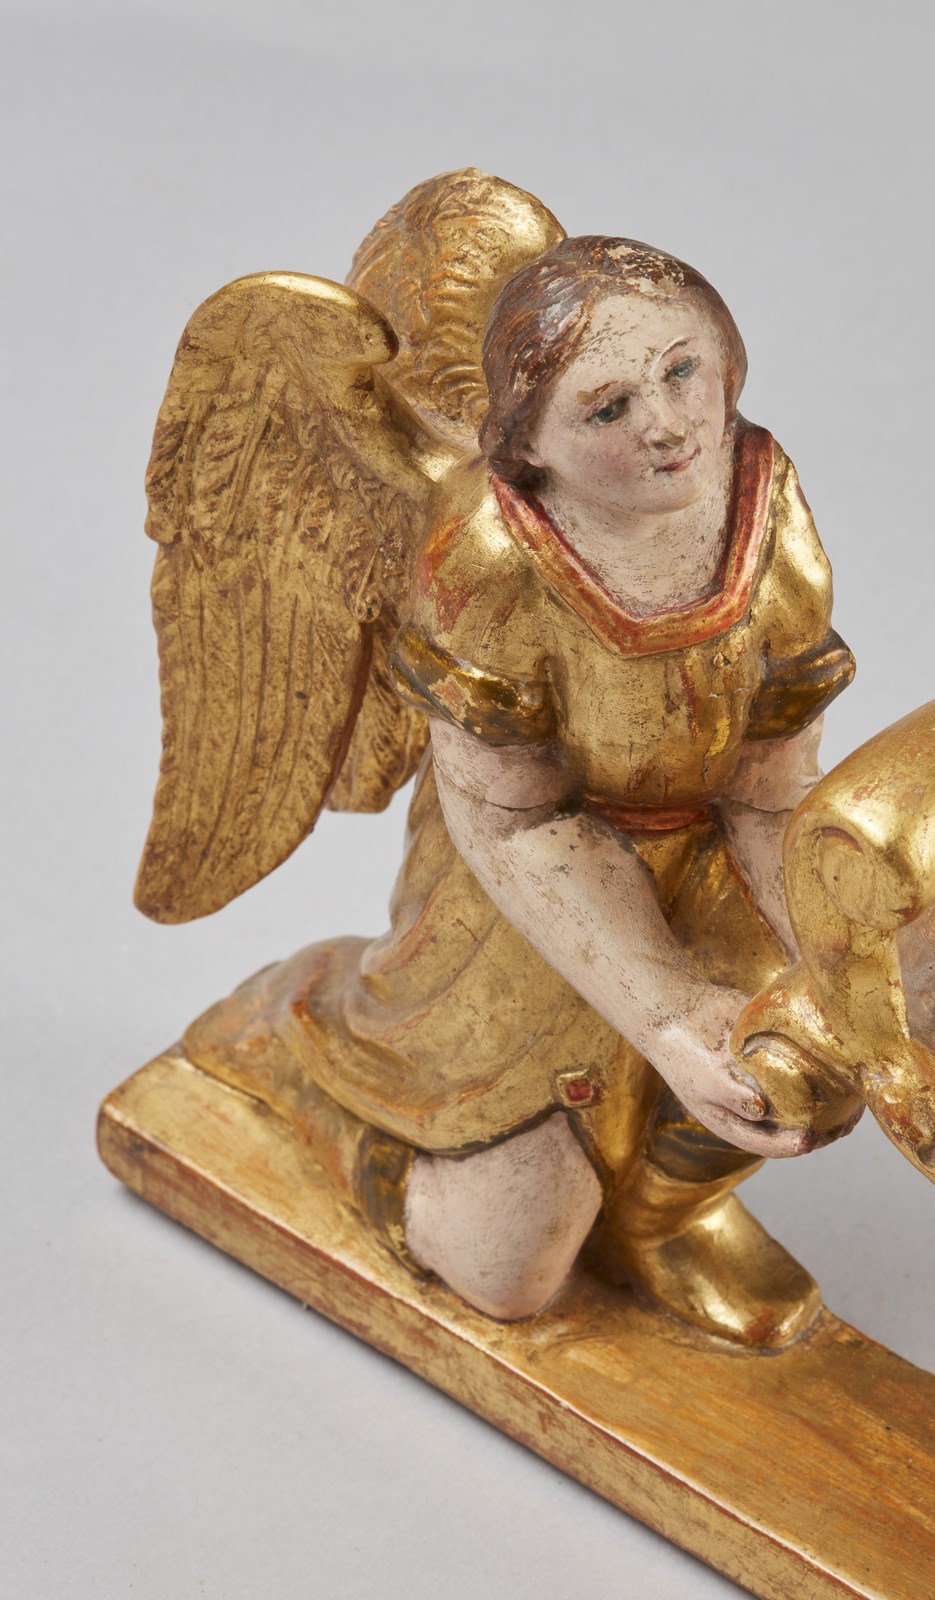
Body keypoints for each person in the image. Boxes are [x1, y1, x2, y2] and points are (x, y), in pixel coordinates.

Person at [182, 235, 854, 1347]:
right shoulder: (490, 555)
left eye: (684, 370)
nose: (667, 424)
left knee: (810, 1060)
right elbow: (514, 815)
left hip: (712, 851)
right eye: (607, 407)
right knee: (505, 1276)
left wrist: (830, 958)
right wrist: (664, 1012)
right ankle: (308, 1034)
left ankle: (659, 1221)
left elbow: (774, 780)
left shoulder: (762, 498)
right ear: (527, 444)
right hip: (527, 886)